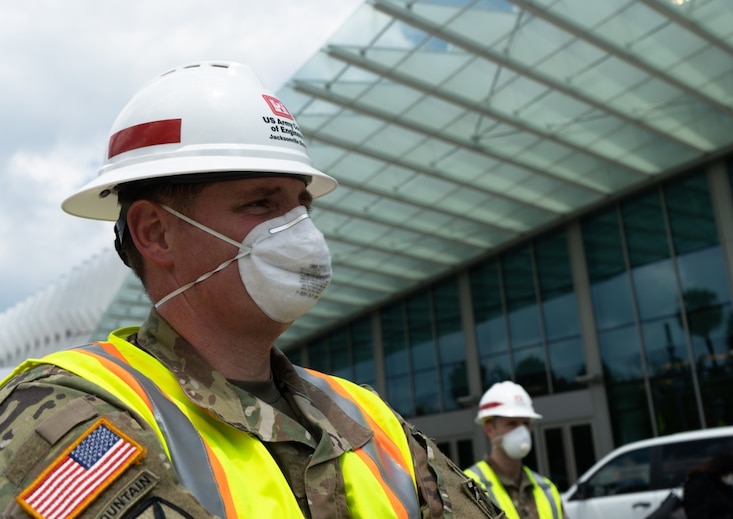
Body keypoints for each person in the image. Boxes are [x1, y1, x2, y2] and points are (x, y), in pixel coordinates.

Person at [0, 62, 505, 519]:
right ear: (155, 232)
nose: (301, 231)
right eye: (262, 204)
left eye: (302, 205)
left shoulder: (368, 416)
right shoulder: (64, 411)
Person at [464, 381, 566, 519]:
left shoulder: (547, 489)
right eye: (512, 423)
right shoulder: (468, 485)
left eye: (525, 423)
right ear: (489, 430)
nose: (522, 432)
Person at [683, 450, 733, 519]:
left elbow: (730, 501)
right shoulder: (698, 484)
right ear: (725, 470)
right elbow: (698, 514)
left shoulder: (722, 483)